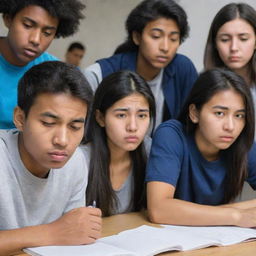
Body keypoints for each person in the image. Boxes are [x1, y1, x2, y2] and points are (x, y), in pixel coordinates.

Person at [0, 61, 102, 255]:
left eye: (74, 126)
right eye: (48, 123)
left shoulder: (76, 161)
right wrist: (53, 232)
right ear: (20, 119)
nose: (62, 141)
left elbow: (75, 235)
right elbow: (63, 233)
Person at [146, 68, 256, 227]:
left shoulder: (241, 144)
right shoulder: (171, 135)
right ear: (194, 113)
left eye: (239, 116)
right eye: (219, 113)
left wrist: (229, 210)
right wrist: (236, 216)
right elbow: (159, 209)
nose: (230, 126)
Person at [84, 0, 198, 131]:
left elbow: (192, 127)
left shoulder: (183, 69)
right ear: (137, 37)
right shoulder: (98, 74)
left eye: (173, 39)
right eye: (156, 36)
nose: (165, 47)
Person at [0, 0, 85, 129]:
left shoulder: (55, 73)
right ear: (8, 19)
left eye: (47, 33)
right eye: (27, 25)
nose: (35, 39)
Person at [84, 70, 156, 217]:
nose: (133, 127)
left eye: (142, 115)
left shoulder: (151, 151)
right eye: (121, 115)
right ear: (100, 118)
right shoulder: (82, 160)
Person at [204, 3, 256, 118]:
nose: (234, 47)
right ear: (215, 44)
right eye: (225, 39)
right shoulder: (203, 87)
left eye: (243, 39)